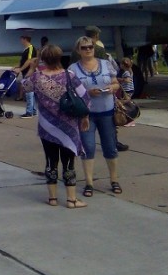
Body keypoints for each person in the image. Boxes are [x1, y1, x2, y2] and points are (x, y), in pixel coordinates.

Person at [23, 45, 90, 208]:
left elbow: (25, 86)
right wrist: (85, 117)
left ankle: (52, 198)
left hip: (47, 127)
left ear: (44, 60)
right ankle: (71, 199)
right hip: (69, 126)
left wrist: (32, 68)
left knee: (50, 161)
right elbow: (85, 97)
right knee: (69, 163)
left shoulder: (37, 78)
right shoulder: (69, 75)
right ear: (60, 58)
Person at [69, 37, 121, 198]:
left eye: (90, 47)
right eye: (84, 48)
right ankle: (89, 182)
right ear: (78, 50)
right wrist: (87, 93)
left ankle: (114, 179)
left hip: (107, 111)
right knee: (88, 147)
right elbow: (70, 92)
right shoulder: (73, 69)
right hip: (86, 114)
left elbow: (116, 82)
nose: (88, 50)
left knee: (110, 146)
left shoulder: (105, 63)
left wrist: (112, 88)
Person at [13, 35, 38, 118]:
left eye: (22, 40)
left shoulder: (30, 48)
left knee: (29, 93)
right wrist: (17, 67)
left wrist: (20, 69)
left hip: (29, 73)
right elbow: (23, 61)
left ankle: (29, 112)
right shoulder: (25, 49)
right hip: (25, 72)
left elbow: (29, 60)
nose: (21, 41)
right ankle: (33, 110)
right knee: (30, 92)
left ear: (25, 39)